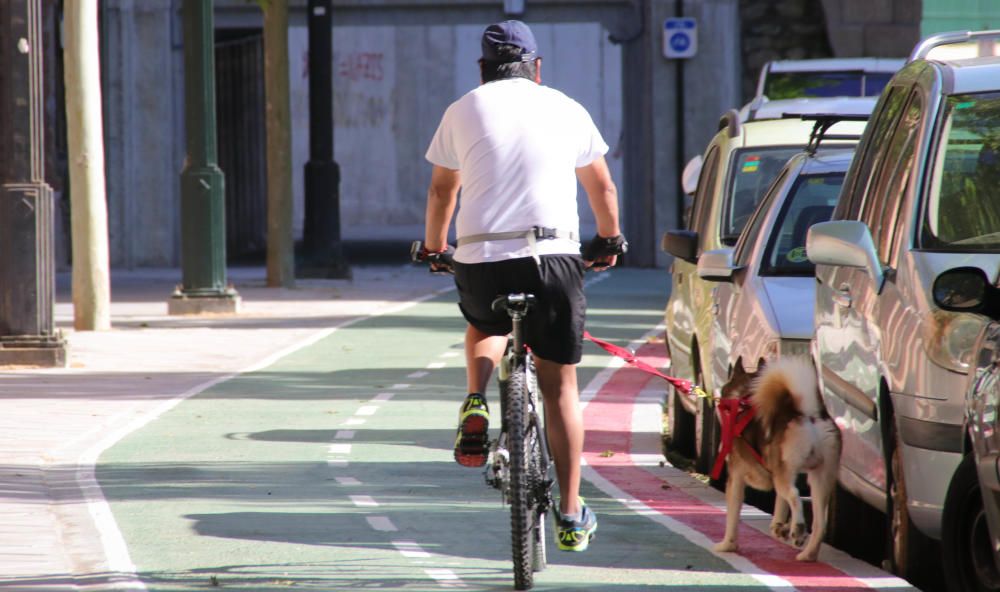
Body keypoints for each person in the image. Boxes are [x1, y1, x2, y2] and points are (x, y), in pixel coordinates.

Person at [421, 19, 626, 553]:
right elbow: (601, 185)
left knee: (482, 321)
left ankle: (474, 399)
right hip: (553, 256)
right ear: (536, 67)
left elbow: (443, 190)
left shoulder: (462, 108)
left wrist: (436, 247)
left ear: (482, 68)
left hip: (482, 256)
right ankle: (572, 511)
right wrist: (609, 239)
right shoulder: (566, 106)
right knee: (560, 388)